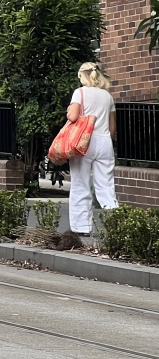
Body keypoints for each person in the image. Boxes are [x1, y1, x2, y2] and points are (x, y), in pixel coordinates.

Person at [64, 62, 119, 235]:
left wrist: (68, 112)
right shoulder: (107, 96)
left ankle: (82, 228)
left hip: (84, 142)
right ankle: (115, 225)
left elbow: (73, 116)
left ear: (82, 76)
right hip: (104, 143)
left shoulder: (79, 93)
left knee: (81, 184)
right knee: (106, 185)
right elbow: (112, 129)